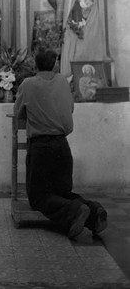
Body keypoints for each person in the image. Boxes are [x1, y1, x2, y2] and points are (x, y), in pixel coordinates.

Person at [13, 49, 108, 238]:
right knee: (62, 192)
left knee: (40, 197)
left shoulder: (27, 84)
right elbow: (70, 108)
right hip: (62, 146)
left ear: (35, 65)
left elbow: (18, 114)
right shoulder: (63, 82)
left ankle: (76, 212)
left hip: (40, 148)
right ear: (55, 64)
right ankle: (95, 212)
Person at [60, 0, 104, 78]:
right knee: (70, 48)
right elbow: (68, 12)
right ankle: (69, 73)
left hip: (81, 25)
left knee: (80, 48)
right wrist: (71, 23)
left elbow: (86, 10)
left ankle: (79, 73)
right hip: (71, 26)